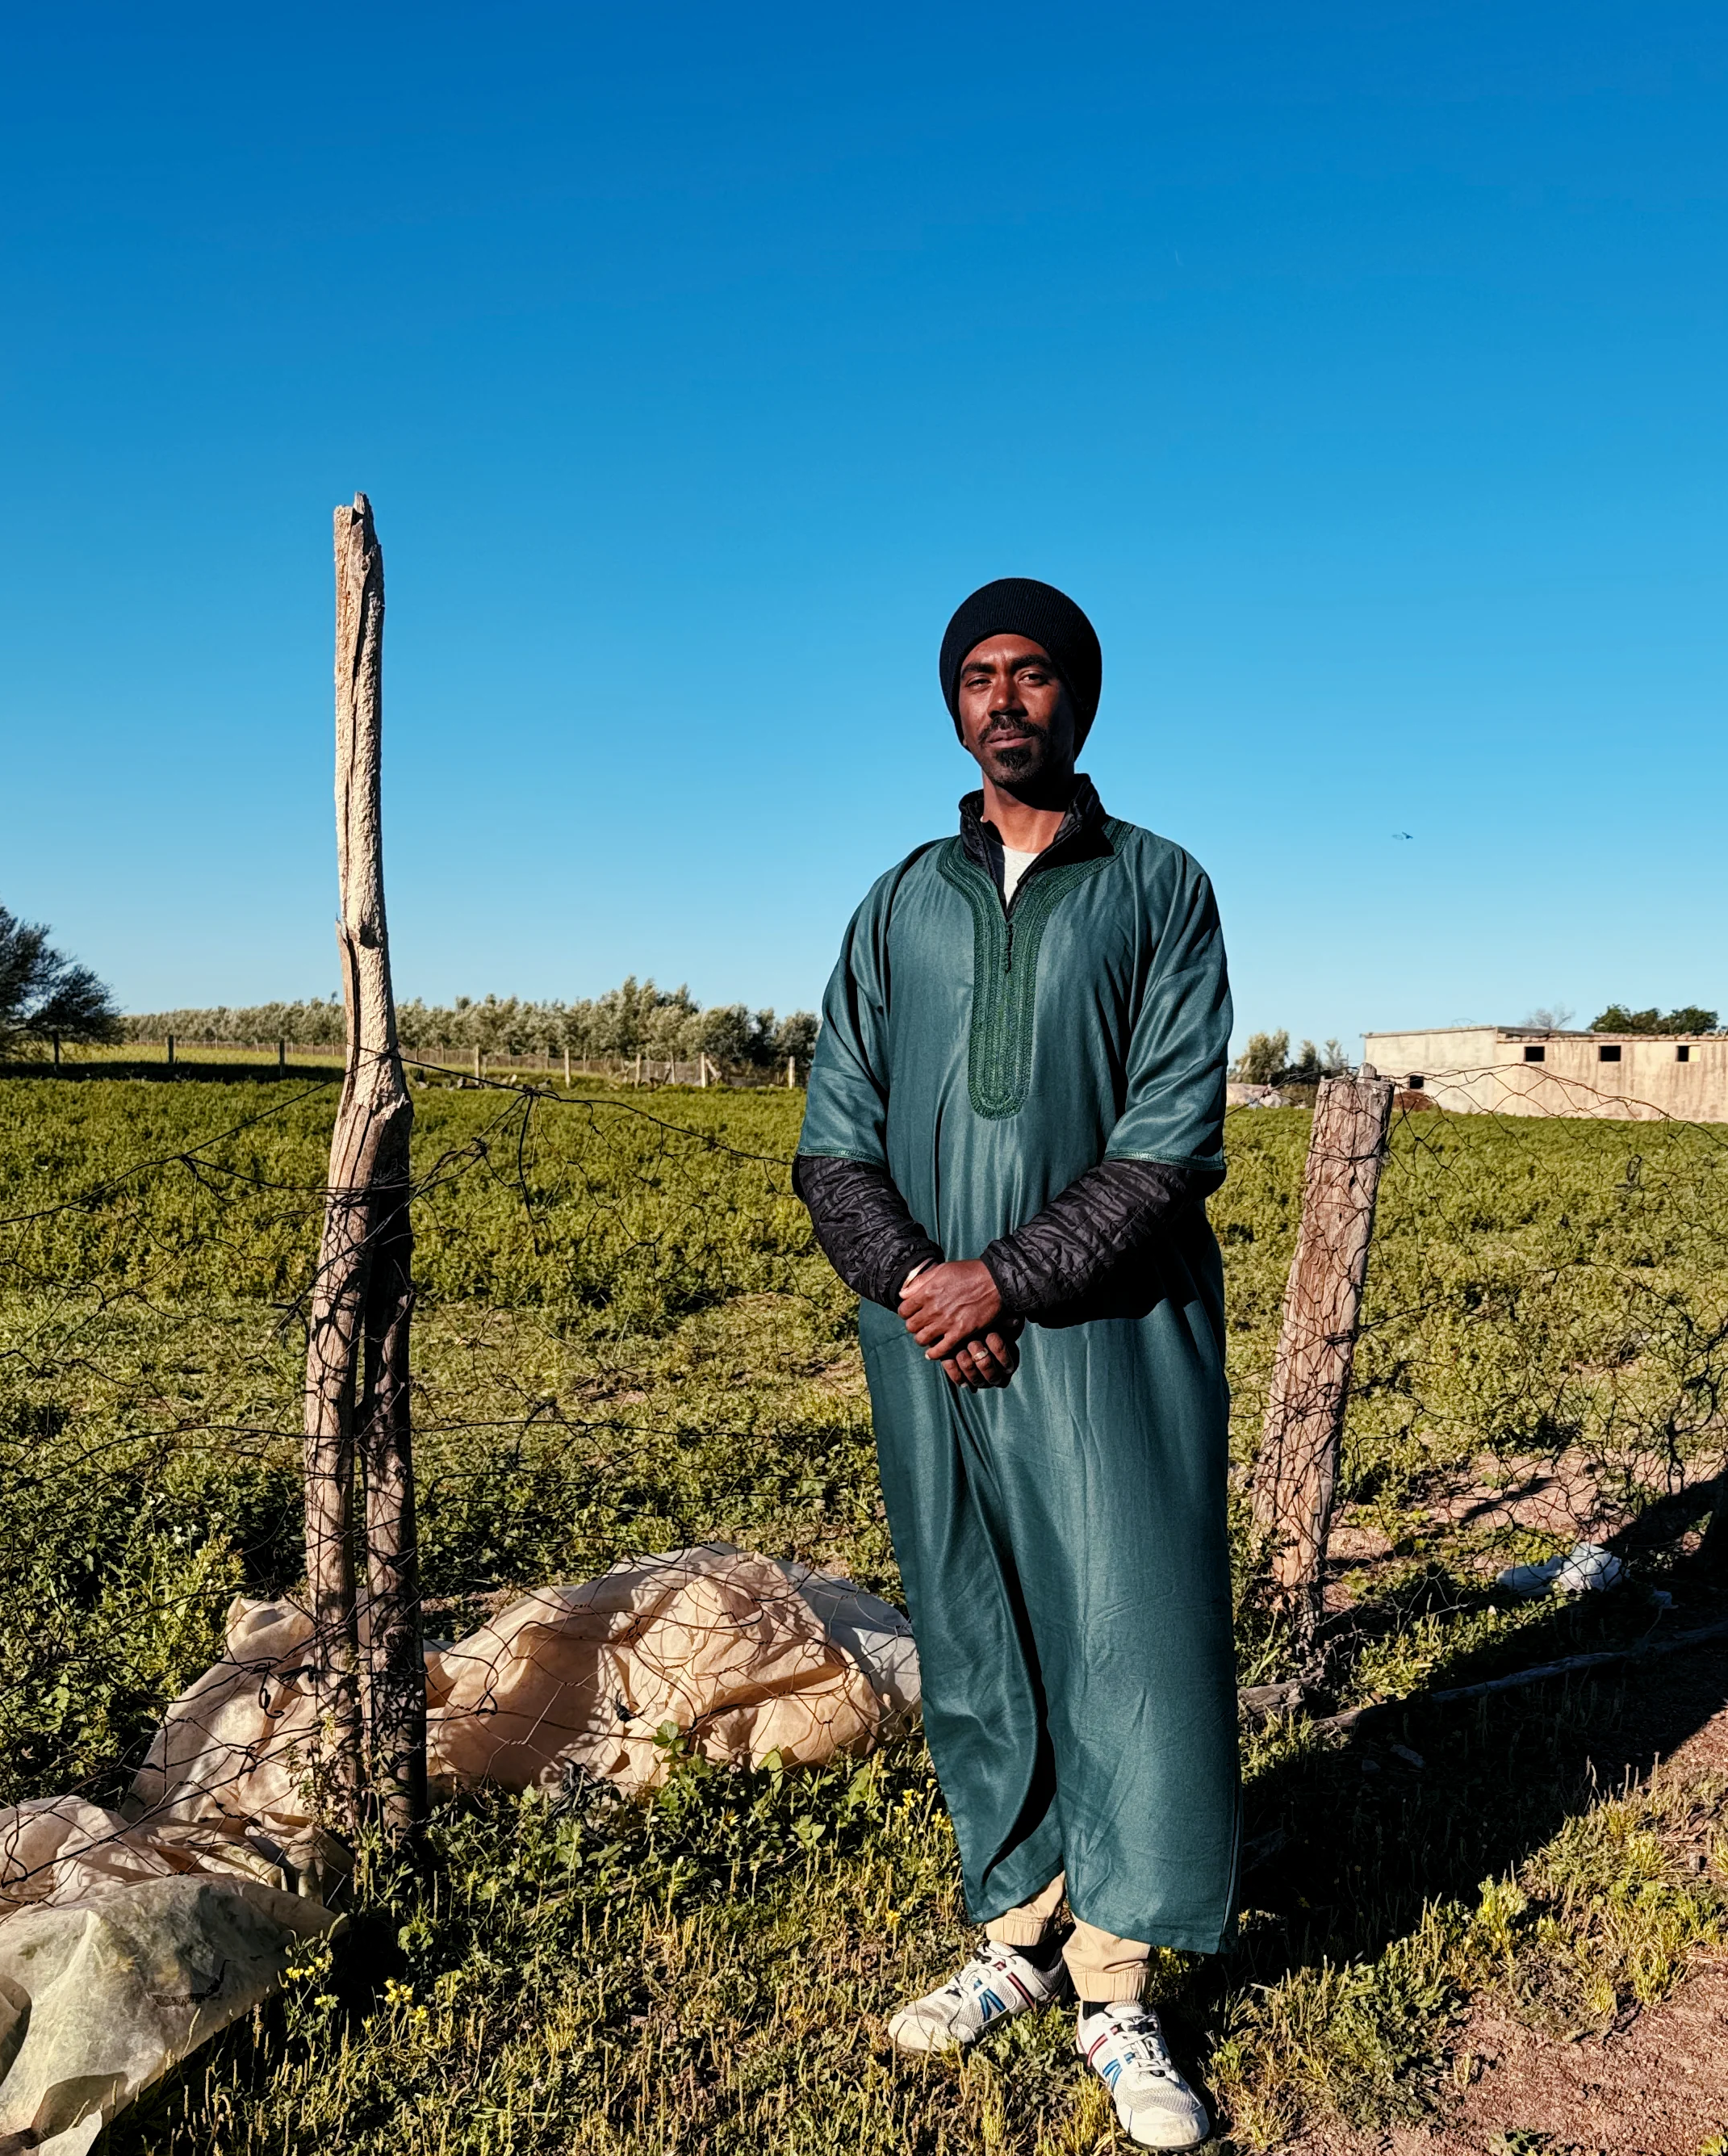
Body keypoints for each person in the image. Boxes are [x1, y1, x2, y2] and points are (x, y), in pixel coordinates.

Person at [793, 579, 1236, 2150]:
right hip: (925, 1346)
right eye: (976, 677)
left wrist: (1005, 1276)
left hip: (1106, 1336)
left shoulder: (1157, 890)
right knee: (975, 1636)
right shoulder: (900, 899)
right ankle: (1017, 1931)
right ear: (950, 703)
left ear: (1080, 698)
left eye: (1032, 675)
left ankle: (1116, 1978)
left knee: (1125, 1631)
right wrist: (919, 1279)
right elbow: (831, 1134)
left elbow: (1169, 1139)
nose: (1003, 701)